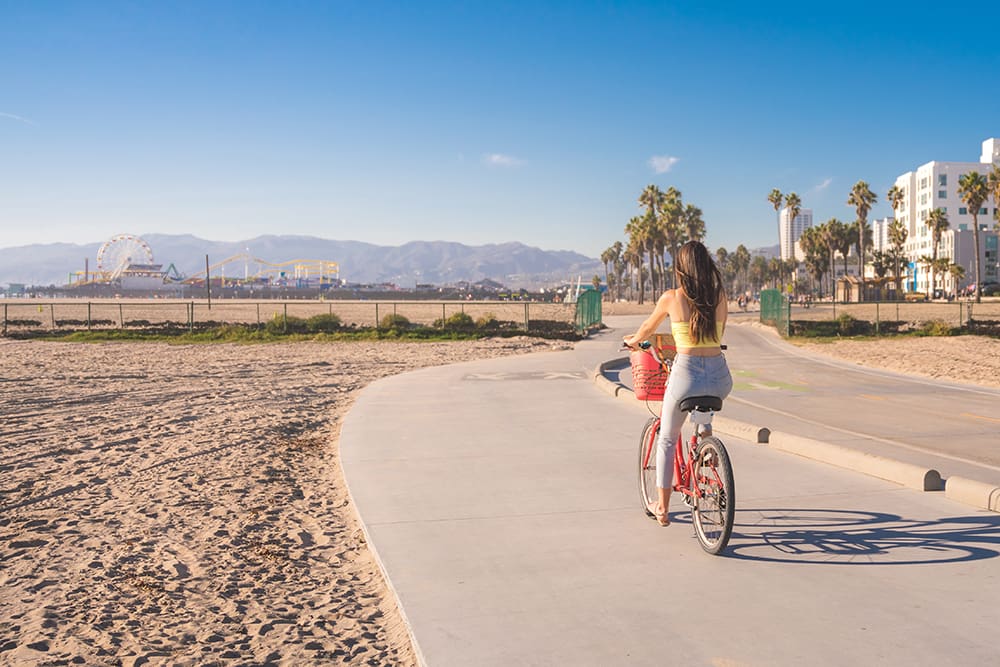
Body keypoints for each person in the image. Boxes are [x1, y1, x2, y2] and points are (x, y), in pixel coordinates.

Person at [623, 241, 733, 526]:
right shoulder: (720, 296)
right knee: (703, 415)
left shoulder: (672, 298)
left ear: (681, 269)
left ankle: (662, 506)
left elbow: (647, 328)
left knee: (669, 437)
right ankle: (708, 455)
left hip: (687, 374)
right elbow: (717, 333)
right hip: (720, 377)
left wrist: (633, 342)